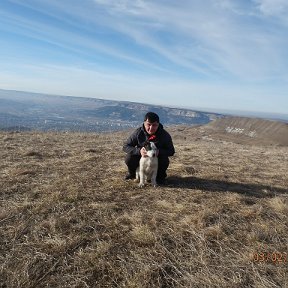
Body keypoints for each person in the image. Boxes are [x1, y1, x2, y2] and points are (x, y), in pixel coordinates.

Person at [123, 112, 175, 184]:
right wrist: (139, 151)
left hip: (156, 159)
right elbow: (126, 146)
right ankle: (133, 174)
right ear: (144, 123)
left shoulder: (164, 135)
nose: (151, 128)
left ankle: (160, 177)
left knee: (164, 159)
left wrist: (159, 152)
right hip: (141, 158)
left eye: (154, 125)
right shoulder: (138, 133)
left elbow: (171, 151)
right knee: (129, 157)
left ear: (158, 124)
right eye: (149, 124)